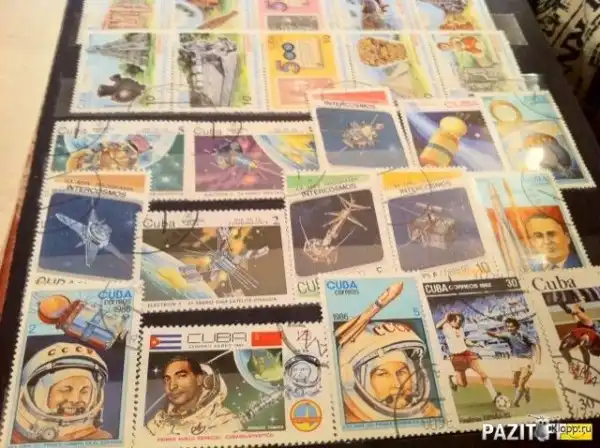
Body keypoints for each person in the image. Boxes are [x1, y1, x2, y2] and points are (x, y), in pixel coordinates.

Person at [338, 321, 440, 422]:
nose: (398, 384)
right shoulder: (351, 421)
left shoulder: (431, 414)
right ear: (360, 380)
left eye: (402, 373)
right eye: (383, 374)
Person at [12, 342, 111, 443]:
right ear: (37, 393)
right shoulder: (14, 438)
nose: (75, 399)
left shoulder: (100, 440)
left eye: (84, 391)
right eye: (65, 390)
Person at [146, 355, 242, 435]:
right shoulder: (158, 422)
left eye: (181, 376)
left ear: (199, 380)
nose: (172, 386)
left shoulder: (224, 421)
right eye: (167, 379)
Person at [436, 312, 501, 405]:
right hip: (456, 358)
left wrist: (475, 344)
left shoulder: (461, 329)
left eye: (460, 321)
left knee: (483, 374)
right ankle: (453, 379)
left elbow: (465, 341)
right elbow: (437, 326)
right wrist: (445, 319)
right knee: (463, 384)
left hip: (467, 354)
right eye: (458, 321)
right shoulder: (447, 327)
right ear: (452, 320)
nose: (459, 323)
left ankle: (494, 396)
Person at [487, 318, 541, 407]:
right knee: (515, 383)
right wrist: (487, 332)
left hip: (526, 360)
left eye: (511, 327)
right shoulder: (508, 335)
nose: (509, 328)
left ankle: (515, 402)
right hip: (515, 360)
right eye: (508, 327)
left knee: (521, 381)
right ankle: (526, 390)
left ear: (517, 327)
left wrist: (538, 359)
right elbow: (496, 335)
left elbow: (536, 344)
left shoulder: (523, 335)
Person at [558, 303, 600, 384]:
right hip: (584, 337)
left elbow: (574, 312)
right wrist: (565, 307)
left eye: (576, 310)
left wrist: (567, 307)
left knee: (583, 349)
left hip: (591, 339)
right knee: (580, 351)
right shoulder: (579, 319)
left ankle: (583, 371)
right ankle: (578, 369)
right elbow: (572, 313)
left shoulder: (586, 319)